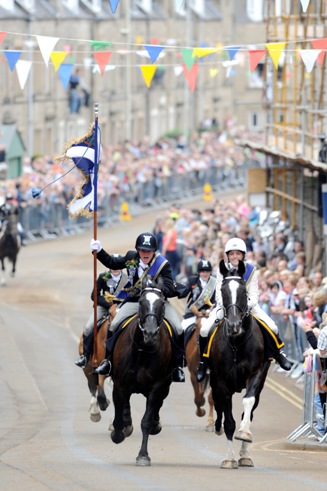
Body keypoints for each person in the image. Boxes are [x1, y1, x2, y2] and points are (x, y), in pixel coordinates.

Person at [90, 232, 186, 382]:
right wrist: (99, 251)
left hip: (157, 302)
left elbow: (168, 287)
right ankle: (108, 361)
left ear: (154, 251)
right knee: (114, 324)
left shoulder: (163, 264)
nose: (145, 253)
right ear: (137, 250)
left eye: (148, 251)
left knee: (178, 328)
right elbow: (112, 263)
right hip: (135, 301)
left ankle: (177, 366)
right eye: (142, 250)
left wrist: (154, 288)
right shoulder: (131, 257)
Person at [196, 237, 292, 382]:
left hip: (247, 306)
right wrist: (229, 308)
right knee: (204, 330)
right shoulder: (222, 270)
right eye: (232, 254)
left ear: (243, 255)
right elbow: (219, 294)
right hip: (226, 307)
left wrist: (244, 308)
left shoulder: (251, 270)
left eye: (238, 253)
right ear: (227, 255)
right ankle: (203, 362)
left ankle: (278, 354)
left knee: (272, 326)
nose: (235, 256)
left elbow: (254, 295)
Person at [75, 259, 127, 368]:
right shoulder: (103, 276)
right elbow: (94, 295)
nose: (115, 268)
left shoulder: (127, 278)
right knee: (89, 327)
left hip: (123, 307)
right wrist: (107, 303)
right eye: (112, 265)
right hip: (104, 307)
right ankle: (85, 356)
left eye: (117, 265)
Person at [181, 259, 216, 333]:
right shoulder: (192, 281)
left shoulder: (214, 283)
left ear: (210, 272)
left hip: (209, 314)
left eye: (207, 271)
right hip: (192, 313)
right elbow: (184, 292)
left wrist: (209, 311)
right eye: (203, 271)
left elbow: (215, 301)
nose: (205, 274)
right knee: (182, 329)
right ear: (198, 272)